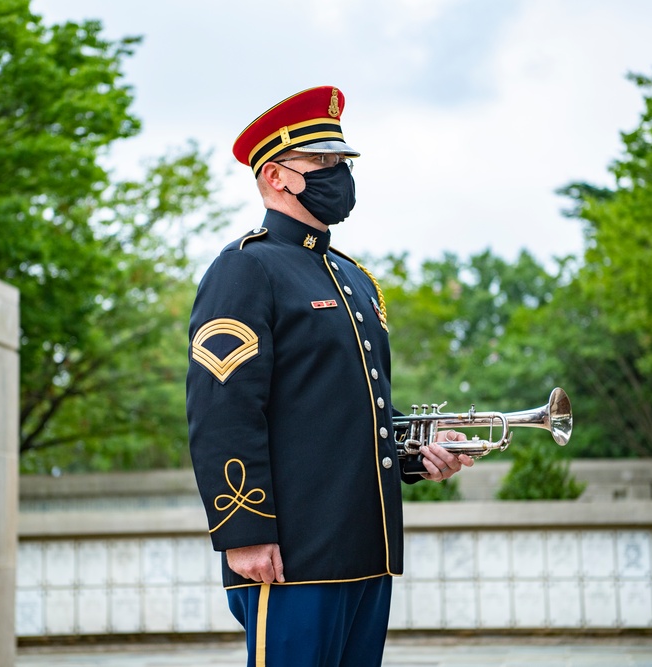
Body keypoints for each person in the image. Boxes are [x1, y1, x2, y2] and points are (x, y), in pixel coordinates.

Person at [185, 85, 473, 667]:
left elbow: (351, 413)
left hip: (368, 548)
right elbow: (223, 409)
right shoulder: (245, 268)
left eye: (342, 161)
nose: (338, 173)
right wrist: (243, 530)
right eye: (322, 162)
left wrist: (417, 455)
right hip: (293, 553)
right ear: (277, 176)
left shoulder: (353, 278)